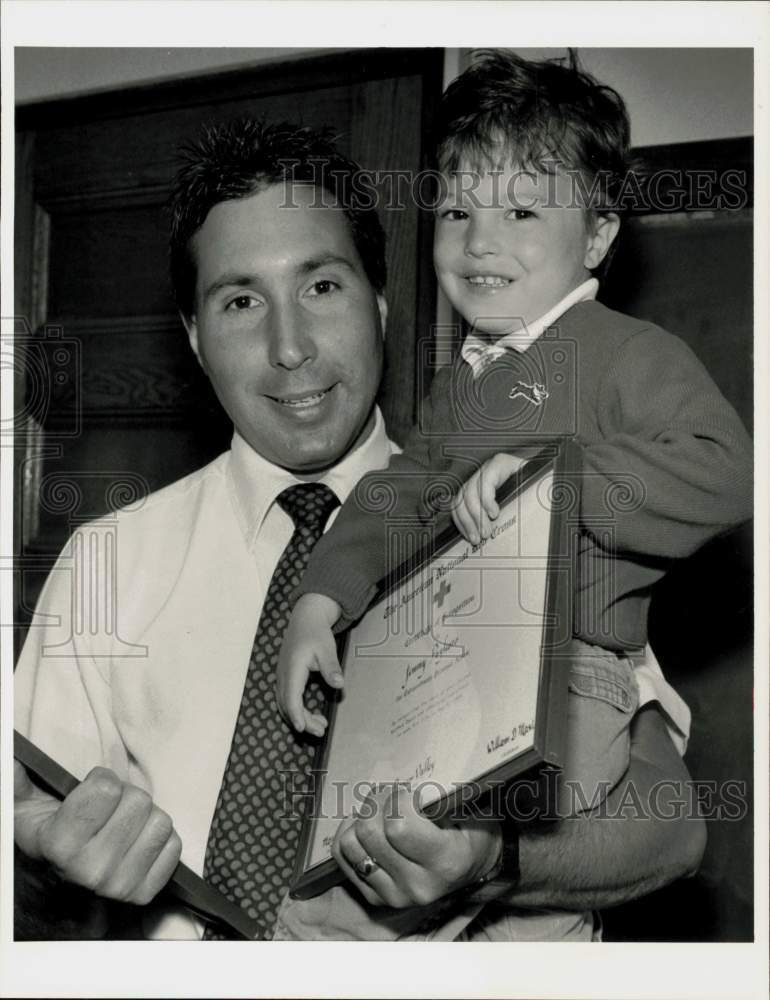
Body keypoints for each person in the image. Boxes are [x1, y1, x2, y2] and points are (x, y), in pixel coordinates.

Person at [15, 116, 705, 942]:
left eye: (322, 286)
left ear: (380, 303)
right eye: (240, 301)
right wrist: (43, 852)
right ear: (195, 340)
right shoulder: (106, 562)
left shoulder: (523, 501)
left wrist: (491, 867)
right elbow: (26, 833)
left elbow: (672, 827)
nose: (291, 348)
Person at [276, 50, 752, 940]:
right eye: (456, 211)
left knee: (514, 907)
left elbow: (729, 471)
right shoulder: (460, 386)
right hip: (444, 669)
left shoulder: (625, 352)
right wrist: (321, 597)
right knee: (354, 875)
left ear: (600, 235)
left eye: (522, 211)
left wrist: (557, 471)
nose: (478, 241)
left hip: (571, 672)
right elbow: (394, 493)